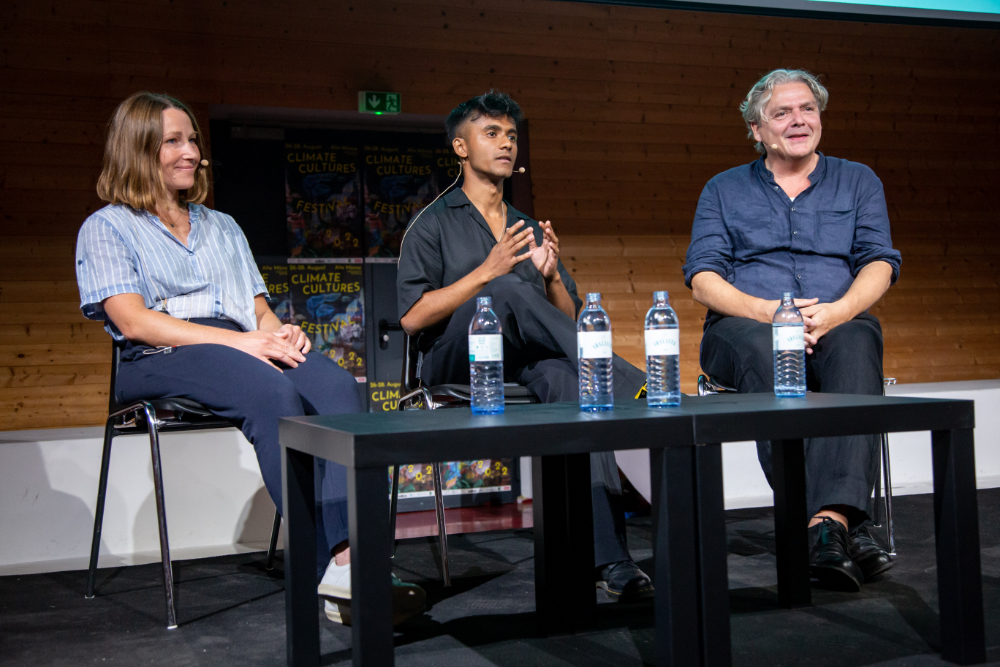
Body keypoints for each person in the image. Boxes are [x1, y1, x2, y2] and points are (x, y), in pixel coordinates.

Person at [74, 92, 424, 626]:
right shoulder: (108, 226)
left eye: (192, 139)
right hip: (158, 352)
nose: (190, 151)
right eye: (173, 141)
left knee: (337, 389)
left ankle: (354, 559)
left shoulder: (223, 227)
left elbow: (256, 313)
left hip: (240, 346)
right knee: (273, 393)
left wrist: (280, 334)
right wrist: (244, 343)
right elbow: (132, 321)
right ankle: (331, 564)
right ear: (138, 150)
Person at [396, 90, 653, 601]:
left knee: (574, 384)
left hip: (526, 365)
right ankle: (633, 385)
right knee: (507, 289)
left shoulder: (528, 227)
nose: (506, 144)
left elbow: (567, 319)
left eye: (512, 136)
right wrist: (486, 273)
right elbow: (411, 318)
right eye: (492, 134)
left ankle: (611, 560)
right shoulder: (432, 223)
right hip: (456, 363)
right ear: (461, 148)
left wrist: (554, 277)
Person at [683, 69, 902, 591]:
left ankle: (825, 525)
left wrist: (840, 311)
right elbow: (702, 278)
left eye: (807, 109)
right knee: (767, 348)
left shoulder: (859, 180)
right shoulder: (723, 189)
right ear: (756, 130)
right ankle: (847, 522)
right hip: (744, 328)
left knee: (856, 342)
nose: (798, 120)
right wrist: (768, 313)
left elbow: (880, 262)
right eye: (781, 112)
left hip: (834, 320)